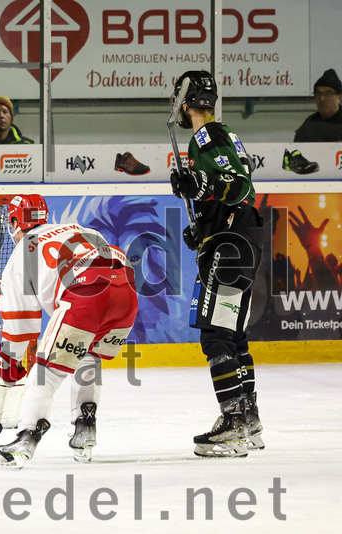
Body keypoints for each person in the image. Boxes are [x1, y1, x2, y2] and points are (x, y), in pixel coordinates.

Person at [0, 194, 138, 469]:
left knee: (47, 370)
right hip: (126, 289)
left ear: (14, 221)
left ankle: (26, 438)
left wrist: (8, 361)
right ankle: (85, 427)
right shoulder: (81, 229)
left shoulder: (22, 253)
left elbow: (21, 329)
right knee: (88, 356)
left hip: (85, 294)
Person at [168, 70, 265, 458]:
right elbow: (226, 190)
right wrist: (203, 224)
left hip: (232, 239)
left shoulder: (207, 136)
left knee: (215, 335)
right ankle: (249, 419)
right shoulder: (216, 137)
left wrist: (200, 186)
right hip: (237, 235)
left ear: (186, 100)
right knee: (234, 335)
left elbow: (238, 184)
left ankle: (234, 423)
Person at [293, 68, 342, 143]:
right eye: (318, 94)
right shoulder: (310, 124)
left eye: (328, 94)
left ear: (339, 98)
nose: (322, 99)